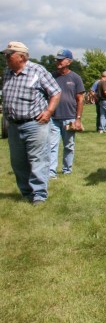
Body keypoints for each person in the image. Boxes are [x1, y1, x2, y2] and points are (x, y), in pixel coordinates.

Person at [2, 41, 61, 205]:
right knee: (18, 161)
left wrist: (48, 112)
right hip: (13, 124)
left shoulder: (37, 70)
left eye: (9, 54)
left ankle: (39, 195)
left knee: (38, 159)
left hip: (35, 124)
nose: (6, 57)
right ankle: (26, 192)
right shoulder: (7, 72)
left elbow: (56, 92)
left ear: (21, 57)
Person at [48, 49, 85, 177]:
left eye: (61, 59)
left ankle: (67, 170)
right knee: (52, 146)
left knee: (69, 146)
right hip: (53, 118)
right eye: (57, 59)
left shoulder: (75, 78)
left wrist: (78, 119)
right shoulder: (51, 77)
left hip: (69, 117)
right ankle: (51, 172)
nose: (58, 61)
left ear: (69, 61)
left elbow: (80, 99)